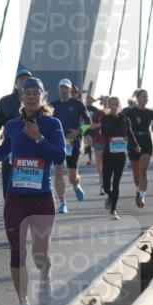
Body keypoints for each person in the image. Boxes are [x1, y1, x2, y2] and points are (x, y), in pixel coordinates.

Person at [0, 78, 66, 305]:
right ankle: (23, 304)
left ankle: (45, 279)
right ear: (21, 96)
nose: (31, 97)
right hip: (16, 197)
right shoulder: (12, 125)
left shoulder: (52, 124)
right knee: (16, 252)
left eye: (35, 93)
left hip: (42, 197)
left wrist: (38, 138)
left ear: (42, 96)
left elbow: (59, 156)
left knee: (40, 254)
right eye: (27, 93)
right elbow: (4, 149)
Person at [51, 79, 90, 213]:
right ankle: (63, 203)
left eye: (66, 87)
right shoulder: (53, 105)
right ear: (59, 89)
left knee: (72, 176)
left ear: (70, 89)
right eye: (61, 87)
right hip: (57, 143)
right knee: (58, 172)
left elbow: (88, 122)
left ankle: (76, 184)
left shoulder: (78, 104)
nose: (63, 90)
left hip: (73, 143)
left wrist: (78, 131)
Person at [0, 68, 32, 197]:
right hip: (10, 149)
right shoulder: (5, 101)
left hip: (32, 151)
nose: (25, 82)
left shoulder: (37, 101)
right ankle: (10, 212)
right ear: (16, 83)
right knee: (8, 187)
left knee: (31, 187)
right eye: (22, 80)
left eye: (28, 80)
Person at [99, 96, 140, 219]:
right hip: (108, 154)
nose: (114, 106)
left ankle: (113, 210)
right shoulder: (105, 119)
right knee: (106, 185)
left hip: (120, 154)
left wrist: (136, 145)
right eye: (111, 104)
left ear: (119, 105)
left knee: (116, 182)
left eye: (116, 104)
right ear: (109, 106)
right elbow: (105, 132)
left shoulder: (125, 119)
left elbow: (130, 133)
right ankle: (110, 196)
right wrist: (115, 120)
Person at [124, 88, 153, 207]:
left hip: (146, 141)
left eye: (147, 96)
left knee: (143, 171)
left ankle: (142, 196)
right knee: (136, 174)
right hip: (133, 142)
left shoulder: (150, 112)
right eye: (143, 96)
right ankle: (138, 190)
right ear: (138, 98)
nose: (146, 99)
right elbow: (121, 123)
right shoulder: (130, 112)